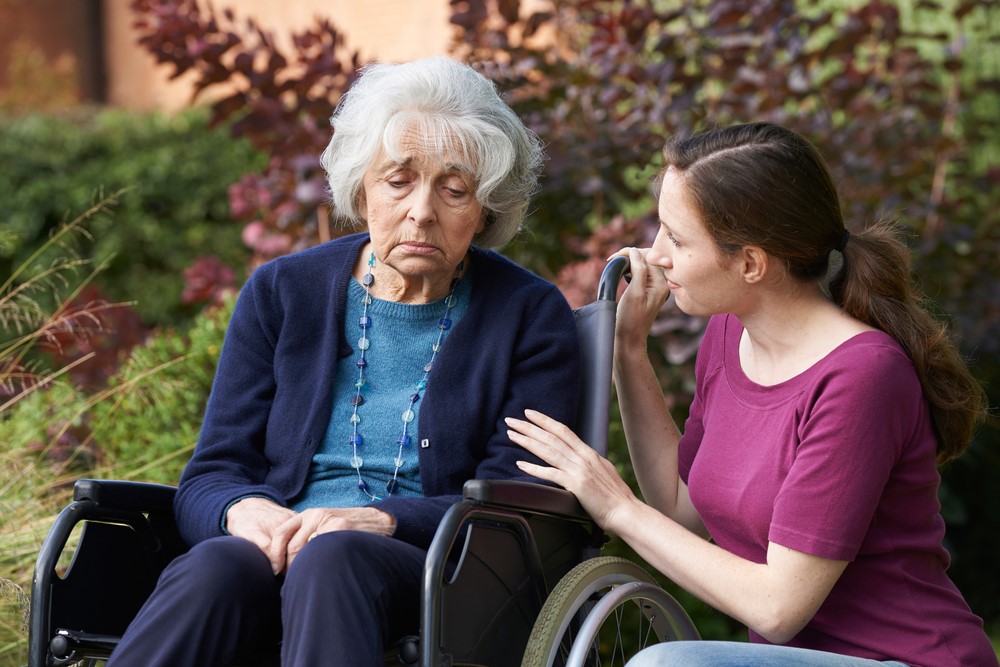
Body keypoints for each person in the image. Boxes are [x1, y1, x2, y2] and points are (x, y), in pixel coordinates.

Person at [106, 56, 581, 666]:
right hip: (278, 547)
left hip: (439, 573)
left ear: (486, 209)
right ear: (362, 187)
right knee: (218, 563)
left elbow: (514, 500)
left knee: (334, 558)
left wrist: (383, 522)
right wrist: (242, 510)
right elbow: (211, 474)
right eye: (398, 181)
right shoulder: (282, 291)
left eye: (454, 189)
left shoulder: (528, 314)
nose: (421, 210)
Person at [506, 122, 997, 666]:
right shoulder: (728, 335)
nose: (655, 254)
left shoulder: (862, 377)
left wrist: (616, 506)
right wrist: (628, 350)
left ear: (750, 263)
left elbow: (777, 608)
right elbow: (677, 505)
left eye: (677, 237)